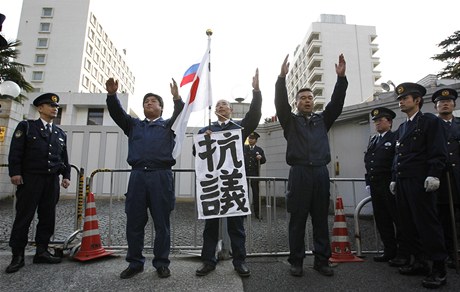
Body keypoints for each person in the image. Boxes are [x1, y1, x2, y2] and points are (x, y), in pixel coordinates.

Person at [275, 54, 347, 277]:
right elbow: (280, 102)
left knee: (320, 219)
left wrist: (341, 79)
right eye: (302, 97)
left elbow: (336, 103)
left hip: (320, 173)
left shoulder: (322, 120)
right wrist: (281, 78)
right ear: (296, 103)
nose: (307, 100)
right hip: (299, 174)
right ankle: (296, 261)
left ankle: (321, 260)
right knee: (297, 220)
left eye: (310, 97)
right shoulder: (290, 121)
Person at [105, 77, 184, 279]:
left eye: (153, 101)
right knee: (134, 222)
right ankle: (135, 263)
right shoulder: (133, 125)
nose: (149, 103)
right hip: (138, 176)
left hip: (161, 177)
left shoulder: (169, 126)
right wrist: (112, 96)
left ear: (161, 108)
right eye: (146, 101)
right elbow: (117, 114)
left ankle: (161, 263)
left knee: (162, 224)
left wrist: (177, 98)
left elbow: (181, 113)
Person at [195, 69, 262, 278]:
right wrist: (204, 140)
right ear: (214, 111)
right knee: (211, 226)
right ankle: (208, 260)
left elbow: (255, 115)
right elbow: (196, 152)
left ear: (231, 109)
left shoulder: (239, 127)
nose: (221, 106)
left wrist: (256, 91)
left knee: (236, 226)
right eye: (217, 105)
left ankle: (239, 261)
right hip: (214, 184)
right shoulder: (206, 130)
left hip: (233, 182)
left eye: (224, 104)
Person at [390, 82, 448, 289]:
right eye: (399, 99)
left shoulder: (430, 121)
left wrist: (434, 174)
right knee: (408, 224)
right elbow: (398, 155)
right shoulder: (403, 126)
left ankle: (439, 268)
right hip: (404, 180)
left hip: (421, 180)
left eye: (405, 98)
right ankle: (420, 261)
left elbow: (437, 150)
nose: (401, 101)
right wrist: (394, 178)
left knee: (427, 224)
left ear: (417, 100)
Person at [6, 93, 71, 273]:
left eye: (56, 107)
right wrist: (15, 172)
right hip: (31, 179)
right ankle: (17, 255)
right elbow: (16, 151)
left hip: (51, 181)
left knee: (47, 217)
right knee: (24, 217)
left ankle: (41, 251)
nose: (54, 109)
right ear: (40, 108)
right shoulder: (27, 126)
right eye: (50, 106)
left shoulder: (59, 133)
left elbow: (63, 157)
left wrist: (66, 175)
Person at [364, 107, 408, 264]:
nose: (377, 123)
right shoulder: (374, 140)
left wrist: (394, 179)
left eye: (380, 120)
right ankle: (389, 251)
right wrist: (368, 182)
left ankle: (403, 253)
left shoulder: (395, 136)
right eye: (375, 121)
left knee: (398, 219)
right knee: (382, 219)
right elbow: (368, 161)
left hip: (389, 183)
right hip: (376, 184)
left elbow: (397, 160)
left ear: (389, 122)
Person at [432, 87, 460, 269]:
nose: (445, 104)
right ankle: (450, 253)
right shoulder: (433, 126)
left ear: (454, 104)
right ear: (436, 107)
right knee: (445, 219)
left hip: (459, 178)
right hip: (442, 180)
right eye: (441, 103)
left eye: (448, 101)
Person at [244, 131, 266, 219]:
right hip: (245, 174)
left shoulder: (259, 150)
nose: (250, 140)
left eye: (252, 139)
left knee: (256, 193)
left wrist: (261, 158)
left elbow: (264, 160)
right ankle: (244, 211)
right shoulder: (244, 148)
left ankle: (257, 212)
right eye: (249, 138)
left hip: (254, 174)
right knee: (244, 193)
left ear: (256, 140)